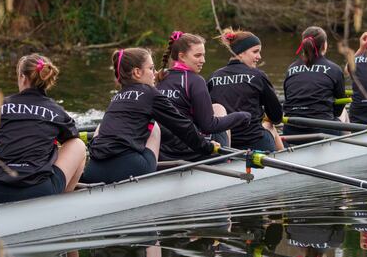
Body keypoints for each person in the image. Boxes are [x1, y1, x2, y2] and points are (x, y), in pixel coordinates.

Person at [81, 48, 219, 185]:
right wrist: (206, 147)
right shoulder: (151, 94)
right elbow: (182, 125)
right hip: (130, 168)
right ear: (137, 72)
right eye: (151, 68)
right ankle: (150, 181)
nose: (156, 73)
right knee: (154, 127)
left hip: (94, 171)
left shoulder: (116, 97)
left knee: (102, 125)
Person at [0, 54, 86, 204]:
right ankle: (62, 205)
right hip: (36, 192)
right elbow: (72, 138)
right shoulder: (56, 111)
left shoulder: (0, 106)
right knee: (78, 145)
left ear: (23, 78)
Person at [156, 31, 250, 160]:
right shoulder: (195, 80)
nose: (203, 60)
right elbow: (209, 126)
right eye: (198, 56)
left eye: (203, 55)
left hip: (163, 154)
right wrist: (242, 116)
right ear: (182, 56)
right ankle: (225, 161)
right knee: (219, 109)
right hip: (192, 152)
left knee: (215, 107)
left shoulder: (158, 78)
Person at [207, 28, 284, 151]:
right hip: (256, 143)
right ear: (241, 53)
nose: (259, 57)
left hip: (226, 146)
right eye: (255, 52)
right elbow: (276, 117)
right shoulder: (258, 76)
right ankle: (286, 161)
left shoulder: (213, 77)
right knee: (269, 125)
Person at [282, 26, 348, 138]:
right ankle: (347, 148)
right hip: (323, 129)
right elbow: (340, 104)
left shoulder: (291, 68)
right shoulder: (334, 69)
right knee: (344, 111)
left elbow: (288, 98)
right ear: (324, 45)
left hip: (291, 130)